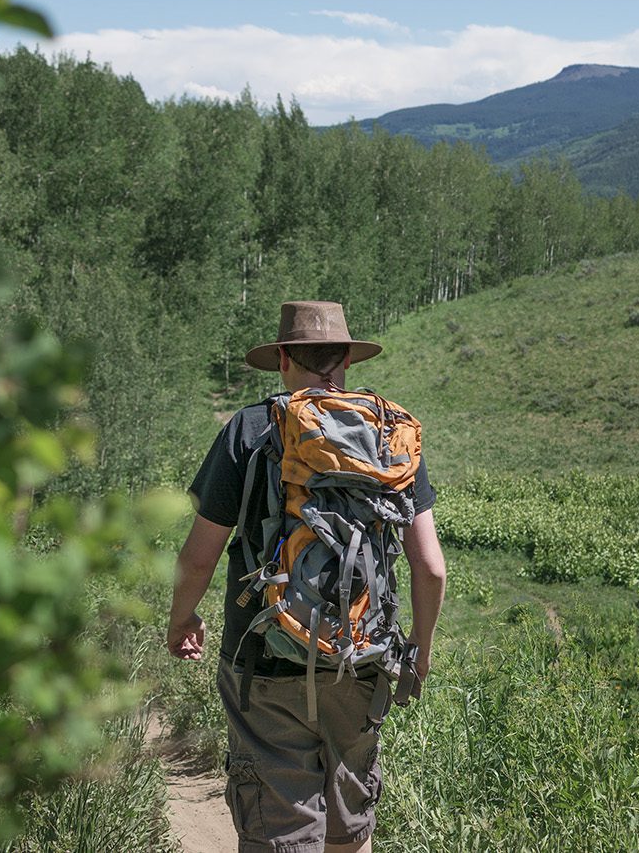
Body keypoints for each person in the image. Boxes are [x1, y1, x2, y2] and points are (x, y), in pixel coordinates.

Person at [165, 300, 446, 853]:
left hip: (266, 663)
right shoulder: (389, 435)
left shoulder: (249, 429)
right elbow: (431, 567)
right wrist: (421, 648)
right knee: (350, 829)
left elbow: (199, 557)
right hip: (359, 659)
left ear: (282, 361)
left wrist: (181, 620)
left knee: (280, 833)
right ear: (345, 359)